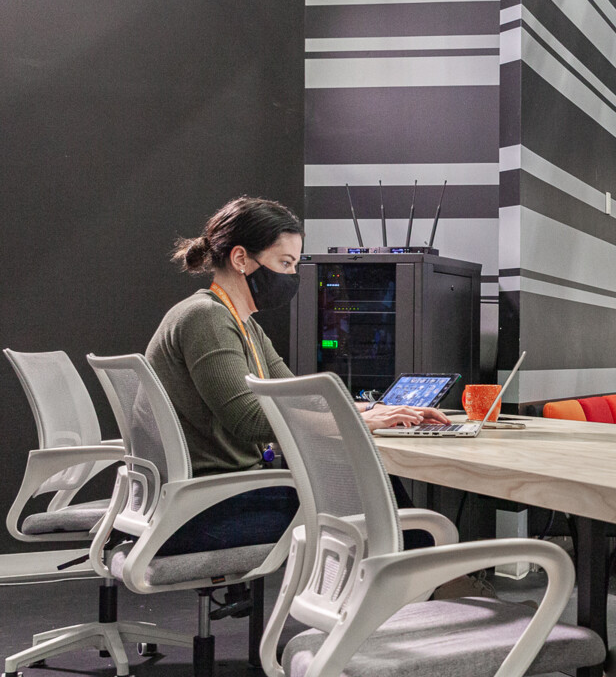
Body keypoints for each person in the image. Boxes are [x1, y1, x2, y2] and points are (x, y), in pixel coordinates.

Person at [147, 197, 447, 556]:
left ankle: (407, 592)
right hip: (208, 508)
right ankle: (418, 590)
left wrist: (380, 411)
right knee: (382, 503)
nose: (292, 276)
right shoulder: (205, 319)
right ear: (241, 258)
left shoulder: (243, 325)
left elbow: (301, 398)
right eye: (284, 263)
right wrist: (362, 422)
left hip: (223, 495)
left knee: (377, 490)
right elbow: (252, 419)